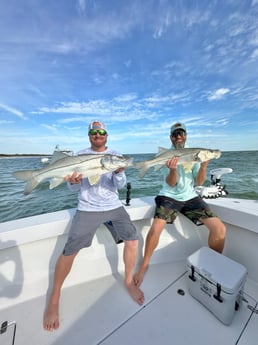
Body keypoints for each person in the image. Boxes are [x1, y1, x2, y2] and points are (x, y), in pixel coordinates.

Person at [43, 120, 144, 332]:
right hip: (87, 208)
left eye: (101, 132)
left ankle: (127, 282)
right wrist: (73, 180)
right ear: (89, 136)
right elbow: (72, 189)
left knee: (133, 239)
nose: (97, 135)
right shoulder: (80, 155)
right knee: (70, 250)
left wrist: (118, 171)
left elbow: (120, 185)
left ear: (106, 135)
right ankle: (54, 298)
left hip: (113, 206)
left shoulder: (114, 155)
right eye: (93, 132)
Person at [133, 122, 226, 287]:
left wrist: (204, 165)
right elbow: (171, 184)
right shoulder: (168, 154)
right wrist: (173, 170)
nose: (178, 137)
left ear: (186, 135)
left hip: (190, 197)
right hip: (169, 196)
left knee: (219, 229)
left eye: (181, 133)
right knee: (155, 228)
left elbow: (198, 182)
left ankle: (212, 264)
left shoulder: (196, 153)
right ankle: (144, 264)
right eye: (175, 134)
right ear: (171, 137)